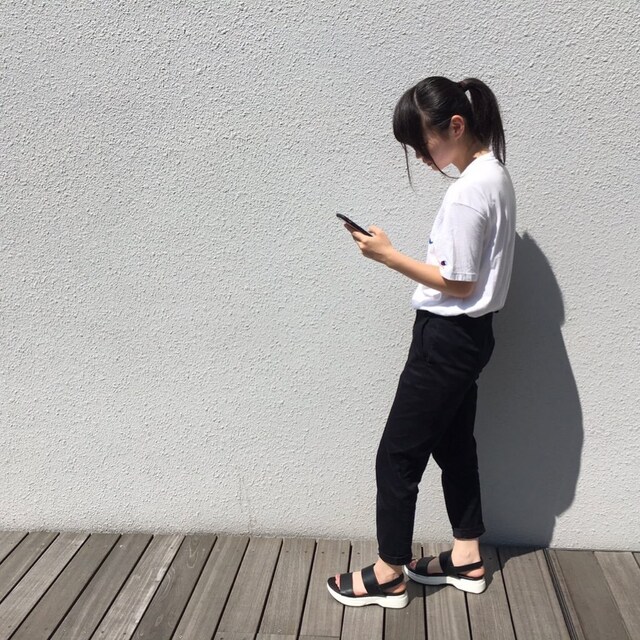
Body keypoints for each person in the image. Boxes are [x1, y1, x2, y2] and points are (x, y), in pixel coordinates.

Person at [326, 76, 516, 609]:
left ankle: (389, 573)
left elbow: (457, 282)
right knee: (454, 445)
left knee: (397, 456)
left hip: (447, 340)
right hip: (471, 338)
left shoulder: (468, 192)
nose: (421, 157)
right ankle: (467, 556)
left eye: (422, 143)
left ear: (456, 125)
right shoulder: (495, 175)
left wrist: (388, 256)